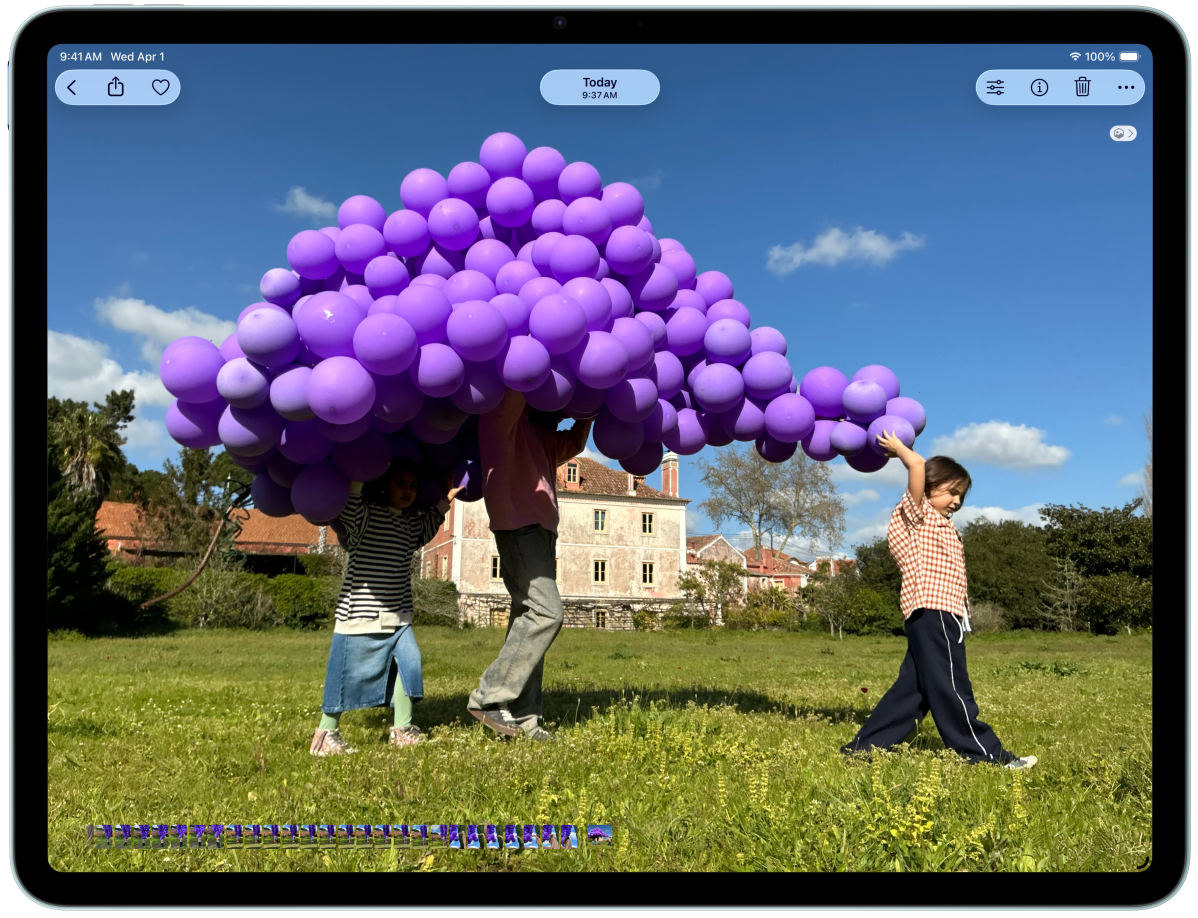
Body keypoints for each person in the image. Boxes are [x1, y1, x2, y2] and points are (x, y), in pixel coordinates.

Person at [839, 430, 1037, 770]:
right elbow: (917, 465)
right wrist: (899, 447)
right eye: (951, 491)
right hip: (934, 612)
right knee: (951, 685)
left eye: (962, 495)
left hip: (938, 614)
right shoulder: (916, 516)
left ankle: (863, 750)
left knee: (913, 691)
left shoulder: (944, 525)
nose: (957, 501)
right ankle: (985, 755)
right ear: (929, 487)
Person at [310, 458, 464, 756]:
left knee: (410, 663)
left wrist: (445, 501)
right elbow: (351, 507)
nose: (407, 490)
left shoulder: (410, 523)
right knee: (344, 673)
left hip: (399, 615)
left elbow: (430, 524)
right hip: (359, 614)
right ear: (385, 486)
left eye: (413, 486)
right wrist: (359, 469)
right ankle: (325, 734)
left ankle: (402, 730)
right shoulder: (366, 514)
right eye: (400, 483)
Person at [466, 389, 595, 740]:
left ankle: (524, 717)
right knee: (546, 612)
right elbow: (517, 384)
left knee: (527, 619)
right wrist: (537, 372)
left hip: (542, 532)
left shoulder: (543, 437)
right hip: (517, 527)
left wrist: (591, 405)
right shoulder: (499, 421)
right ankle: (488, 697)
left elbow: (575, 441)